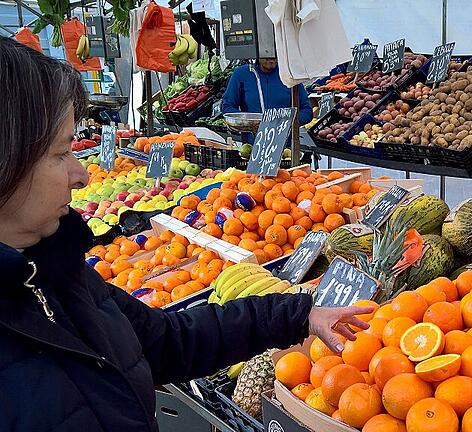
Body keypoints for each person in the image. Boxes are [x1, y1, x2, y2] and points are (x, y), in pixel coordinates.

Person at [0, 37, 371, 431]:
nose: (82, 174)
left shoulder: (57, 271)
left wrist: (298, 314)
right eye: (61, 154)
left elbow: (167, 340)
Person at [222, 57, 313, 125]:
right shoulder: (242, 74)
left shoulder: (289, 75)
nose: (272, 59)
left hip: (286, 144)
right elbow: (227, 107)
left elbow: (307, 110)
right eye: (267, 55)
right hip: (252, 143)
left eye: (275, 55)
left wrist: (287, 122)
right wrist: (248, 121)